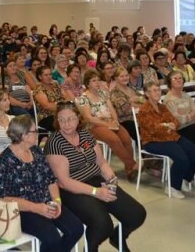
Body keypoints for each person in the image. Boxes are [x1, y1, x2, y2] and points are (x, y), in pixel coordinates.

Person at [45, 101, 146, 251]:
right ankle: (91, 248)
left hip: (96, 180)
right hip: (72, 190)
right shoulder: (55, 143)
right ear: (57, 121)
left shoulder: (85, 135)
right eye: (62, 119)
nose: (66, 124)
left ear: (79, 118)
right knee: (102, 224)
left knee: (136, 214)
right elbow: (64, 182)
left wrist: (111, 179)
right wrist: (96, 192)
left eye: (71, 118)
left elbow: (101, 162)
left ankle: (117, 237)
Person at [0, 115, 83, 252]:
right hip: (23, 210)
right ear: (24, 135)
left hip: (47, 203)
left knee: (76, 229)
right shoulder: (6, 160)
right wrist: (37, 208)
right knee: (52, 238)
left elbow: (50, 179)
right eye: (34, 131)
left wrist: (57, 201)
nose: (37, 134)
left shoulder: (36, 151)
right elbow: (4, 197)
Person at [137, 82, 195, 199]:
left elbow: (175, 121)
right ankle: (172, 187)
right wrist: (168, 126)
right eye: (154, 90)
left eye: (158, 90)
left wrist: (171, 125)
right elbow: (152, 129)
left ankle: (183, 178)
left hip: (171, 137)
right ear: (147, 94)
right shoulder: (144, 110)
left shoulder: (162, 107)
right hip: (153, 141)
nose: (158, 92)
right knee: (182, 158)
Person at [76, 70, 138, 181]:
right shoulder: (83, 98)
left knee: (127, 139)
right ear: (87, 83)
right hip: (94, 125)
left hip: (109, 121)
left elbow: (112, 109)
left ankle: (129, 169)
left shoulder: (103, 93)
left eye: (98, 80)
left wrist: (114, 121)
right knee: (114, 139)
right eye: (93, 80)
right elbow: (88, 117)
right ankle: (133, 165)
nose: (97, 82)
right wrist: (106, 124)